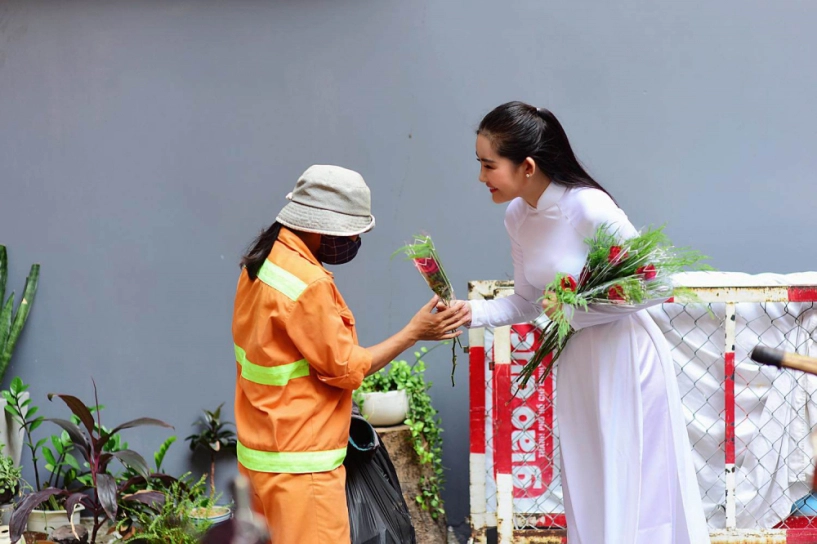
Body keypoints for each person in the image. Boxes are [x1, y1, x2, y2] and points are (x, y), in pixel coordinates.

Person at [454, 102, 709, 543]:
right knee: (588, 480)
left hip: (624, 356)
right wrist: (468, 312)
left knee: (632, 480)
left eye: (488, 165)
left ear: (527, 166)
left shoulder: (586, 206)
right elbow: (526, 302)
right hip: (578, 361)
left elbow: (656, 282)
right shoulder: (517, 217)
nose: (481, 177)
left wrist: (573, 311)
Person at [232, 164, 470, 543]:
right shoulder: (307, 285)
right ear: (317, 225)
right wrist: (414, 333)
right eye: (350, 231)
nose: (355, 239)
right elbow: (345, 368)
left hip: (260, 459)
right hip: (302, 470)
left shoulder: (262, 265)